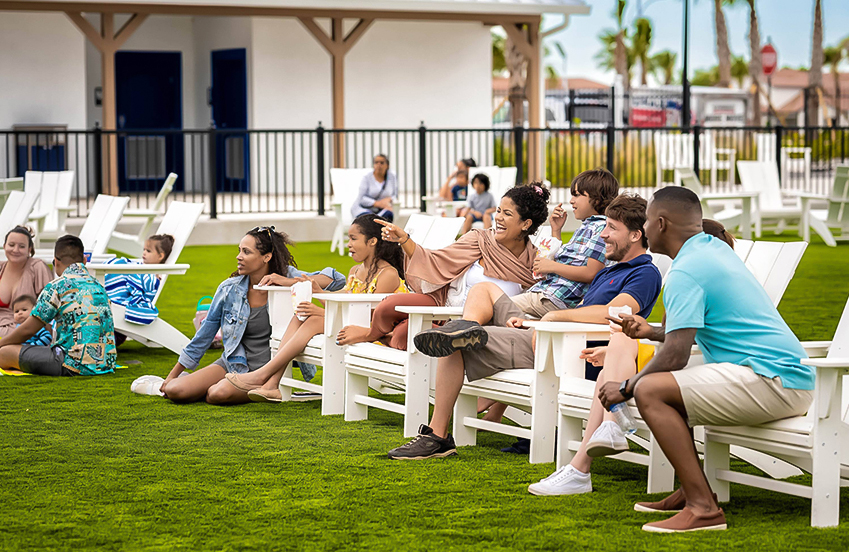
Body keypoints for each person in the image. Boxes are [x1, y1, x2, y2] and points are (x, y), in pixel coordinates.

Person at [596, 187, 813, 533]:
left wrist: (627, 386)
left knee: (651, 389)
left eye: (649, 221)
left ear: (662, 224)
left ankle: (703, 508)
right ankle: (692, 489)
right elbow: (684, 330)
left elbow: (677, 355)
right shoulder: (711, 250)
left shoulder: (686, 270)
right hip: (781, 377)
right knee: (663, 389)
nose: (647, 227)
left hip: (772, 381)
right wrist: (651, 331)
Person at [387, 193, 661, 460]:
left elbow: (616, 315)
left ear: (636, 235)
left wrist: (554, 318)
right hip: (546, 333)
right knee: (483, 290)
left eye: (612, 228)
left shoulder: (644, 273)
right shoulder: (609, 270)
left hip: (567, 349)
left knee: (453, 344)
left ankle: (438, 436)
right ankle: (465, 327)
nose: (602, 235)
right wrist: (532, 321)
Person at [526, 217, 738, 497]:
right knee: (613, 357)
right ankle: (583, 465)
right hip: (690, 362)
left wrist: (627, 374)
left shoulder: (694, 280)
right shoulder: (705, 278)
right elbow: (677, 334)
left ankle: (598, 445)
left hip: (705, 368)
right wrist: (614, 350)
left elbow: (684, 345)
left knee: (622, 340)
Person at [334, 183, 551, 351]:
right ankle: (374, 334)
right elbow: (436, 261)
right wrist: (405, 239)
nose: (498, 218)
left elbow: (539, 297)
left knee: (405, 335)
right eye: (498, 211)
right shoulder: (479, 239)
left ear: (526, 224)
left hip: (486, 327)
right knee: (388, 306)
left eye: (507, 214)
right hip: (446, 305)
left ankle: (388, 336)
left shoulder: (533, 262)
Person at [220, 214, 408, 402]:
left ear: (372, 241)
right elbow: (343, 304)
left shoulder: (388, 274)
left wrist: (321, 311)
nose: (348, 244)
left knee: (315, 318)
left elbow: (369, 316)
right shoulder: (356, 272)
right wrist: (318, 291)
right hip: (353, 325)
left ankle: (263, 375)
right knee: (301, 314)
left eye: (353, 239)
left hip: (376, 333)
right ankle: (271, 385)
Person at [160, 227, 345, 405]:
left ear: (266, 257)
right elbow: (204, 334)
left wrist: (288, 281)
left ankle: (253, 385)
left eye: (246, 252)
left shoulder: (285, 276)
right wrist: (172, 376)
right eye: (239, 251)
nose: (239, 257)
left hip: (265, 369)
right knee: (175, 390)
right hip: (233, 362)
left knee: (216, 394)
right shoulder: (229, 289)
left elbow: (336, 279)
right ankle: (198, 383)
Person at [0, 235, 116, 377]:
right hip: (105, 363)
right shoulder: (99, 287)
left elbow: (28, 330)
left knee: (4, 353)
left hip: (71, 364)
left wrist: (2, 343)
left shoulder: (57, 286)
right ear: (84, 261)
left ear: (56, 261)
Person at [105, 234, 175, 344]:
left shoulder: (151, 276)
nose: (144, 253)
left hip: (122, 306)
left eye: (148, 251)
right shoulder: (140, 267)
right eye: (144, 250)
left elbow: (144, 286)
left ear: (160, 256)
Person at [0, 226, 53, 336]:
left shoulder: (37, 267)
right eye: (11, 245)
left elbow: (49, 305)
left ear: (29, 249)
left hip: (27, 333)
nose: (15, 250)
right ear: (4, 246)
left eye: (22, 246)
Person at [352, 154, 397, 222]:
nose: (379, 165)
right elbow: (361, 198)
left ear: (387, 165)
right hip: (364, 209)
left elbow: (394, 195)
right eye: (376, 162)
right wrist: (377, 203)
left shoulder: (392, 177)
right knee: (369, 220)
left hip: (382, 210)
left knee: (388, 215)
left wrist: (389, 199)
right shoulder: (367, 178)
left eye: (382, 163)